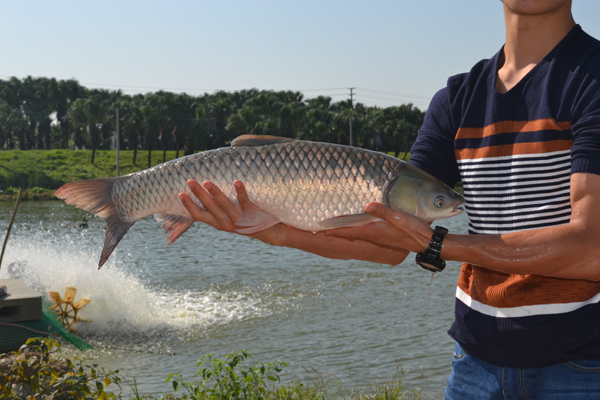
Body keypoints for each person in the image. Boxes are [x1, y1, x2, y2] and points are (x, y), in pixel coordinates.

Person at [178, 1, 600, 398]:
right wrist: (277, 231)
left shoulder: (592, 77)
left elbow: (591, 250)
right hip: (474, 362)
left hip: (582, 366)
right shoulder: (457, 98)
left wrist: (438, 245)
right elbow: (388, 244)